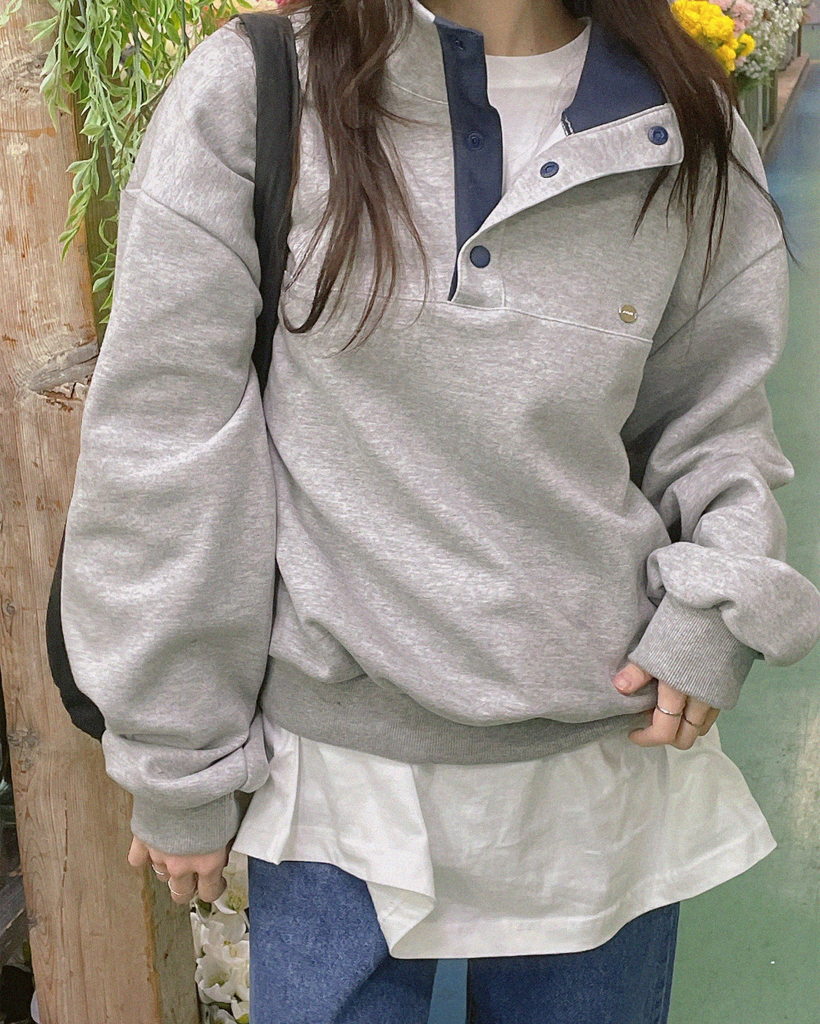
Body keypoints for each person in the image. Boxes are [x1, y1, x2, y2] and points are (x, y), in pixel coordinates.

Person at [60, 0, 820, 1021]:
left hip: (602, 761)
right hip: (335, 782)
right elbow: (168, 444)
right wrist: (178, 753)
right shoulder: (259, 92)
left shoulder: (681, 116)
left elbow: (712, 415)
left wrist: (715, 601)